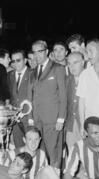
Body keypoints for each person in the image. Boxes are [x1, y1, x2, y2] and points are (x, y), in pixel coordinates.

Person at [28, 40, 67, 171]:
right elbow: (30, 97)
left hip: (53, 120)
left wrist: (61, 118)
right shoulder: (32, 72)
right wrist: (30, 117)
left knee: (54, 154)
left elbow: (63, 96)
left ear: (46, 52)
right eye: (34, 52)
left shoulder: (58, 68)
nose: (36, 55)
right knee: (40, 154)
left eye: (40, 52)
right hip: (37, 120)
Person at [7, 50, 31, 148]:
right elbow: (8, 94)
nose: (15, 63)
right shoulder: (9, 75)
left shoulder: (33, 74)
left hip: (29, 116)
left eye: (18, 60)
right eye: (13, 61)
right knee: (18, 145)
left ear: (25, 60)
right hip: (15, 117)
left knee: (31, 144)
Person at [65, 52, 85, 151]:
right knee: (72, 155)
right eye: (69, 63)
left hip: (86, 124)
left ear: (83, 62)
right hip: (70, 125)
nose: (72, 66)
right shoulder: (66, 80)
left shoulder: (90, 78)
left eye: (75, 62)